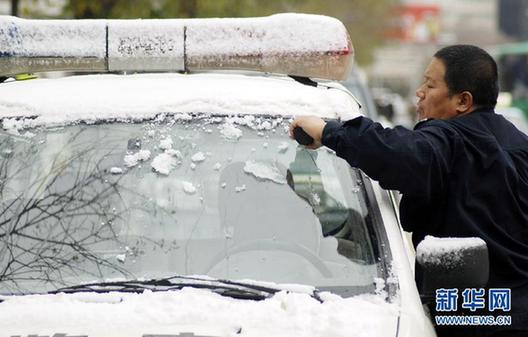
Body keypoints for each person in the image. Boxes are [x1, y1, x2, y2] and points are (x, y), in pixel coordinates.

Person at [290, 45, 528, 336]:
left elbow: (397, 153)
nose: (419, 92)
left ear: (463, 101)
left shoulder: (448, 139)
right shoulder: (519, 145)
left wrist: (329, 132)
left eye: (430, 84)